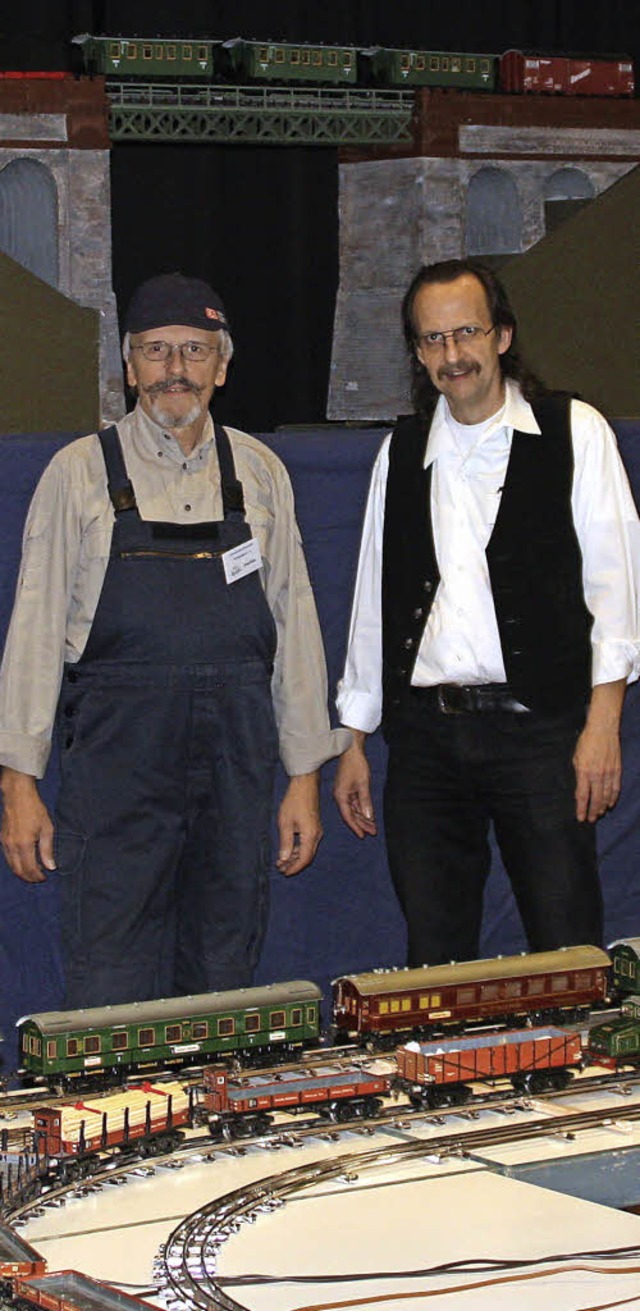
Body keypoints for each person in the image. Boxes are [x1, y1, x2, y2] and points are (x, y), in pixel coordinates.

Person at [0, 272, 349, 1007]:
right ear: (128, 366)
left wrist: (305, 775)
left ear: (222, 365)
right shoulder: (78, 474)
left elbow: (295, 626)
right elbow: (32, 632)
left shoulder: (259, 473)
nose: (174, 369)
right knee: (110, 972)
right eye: (155, 350)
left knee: (224, 970)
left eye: (194, 349)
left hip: (237, 765)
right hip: (118, 767)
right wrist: (19, 781)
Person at [334, 258, 640, 967]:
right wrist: (352, 735)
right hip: (426, 745)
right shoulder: (401, 452)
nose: (452, 354)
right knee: (434, 959)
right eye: (432, 339)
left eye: (466, 332)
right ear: (417, 352)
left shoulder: (575, 431)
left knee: (566, 948)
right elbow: (373, 603)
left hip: (543, 735)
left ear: (501, 334)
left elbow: (617, 590)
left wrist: (603, 725)